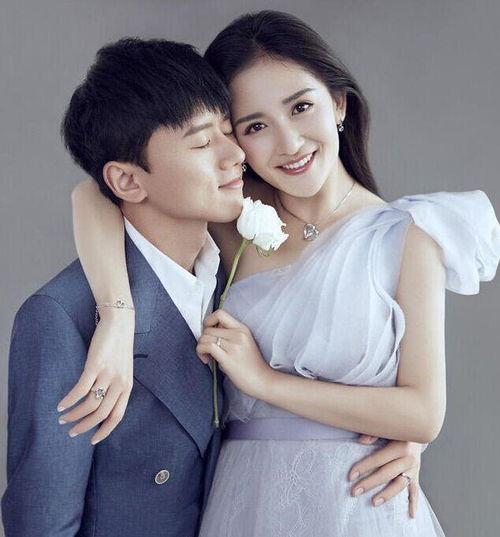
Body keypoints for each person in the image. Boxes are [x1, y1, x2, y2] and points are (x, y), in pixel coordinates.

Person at [60, 11, 500, 537]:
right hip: (243, 501)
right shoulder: (234, 217)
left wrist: (265, 381)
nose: (288, 143)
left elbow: (424, 412)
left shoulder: (406, 236)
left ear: (339, 103)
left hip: (358, 505)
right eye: (255, 126)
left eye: (301, 107)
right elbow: (95, 194)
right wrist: (116, 316)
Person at [1, 37, 246, 536]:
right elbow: (42, 523)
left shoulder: (240, 275)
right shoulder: (61, 317)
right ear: (128, 182)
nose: (235, 154)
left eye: (229, 130)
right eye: (202, 143)